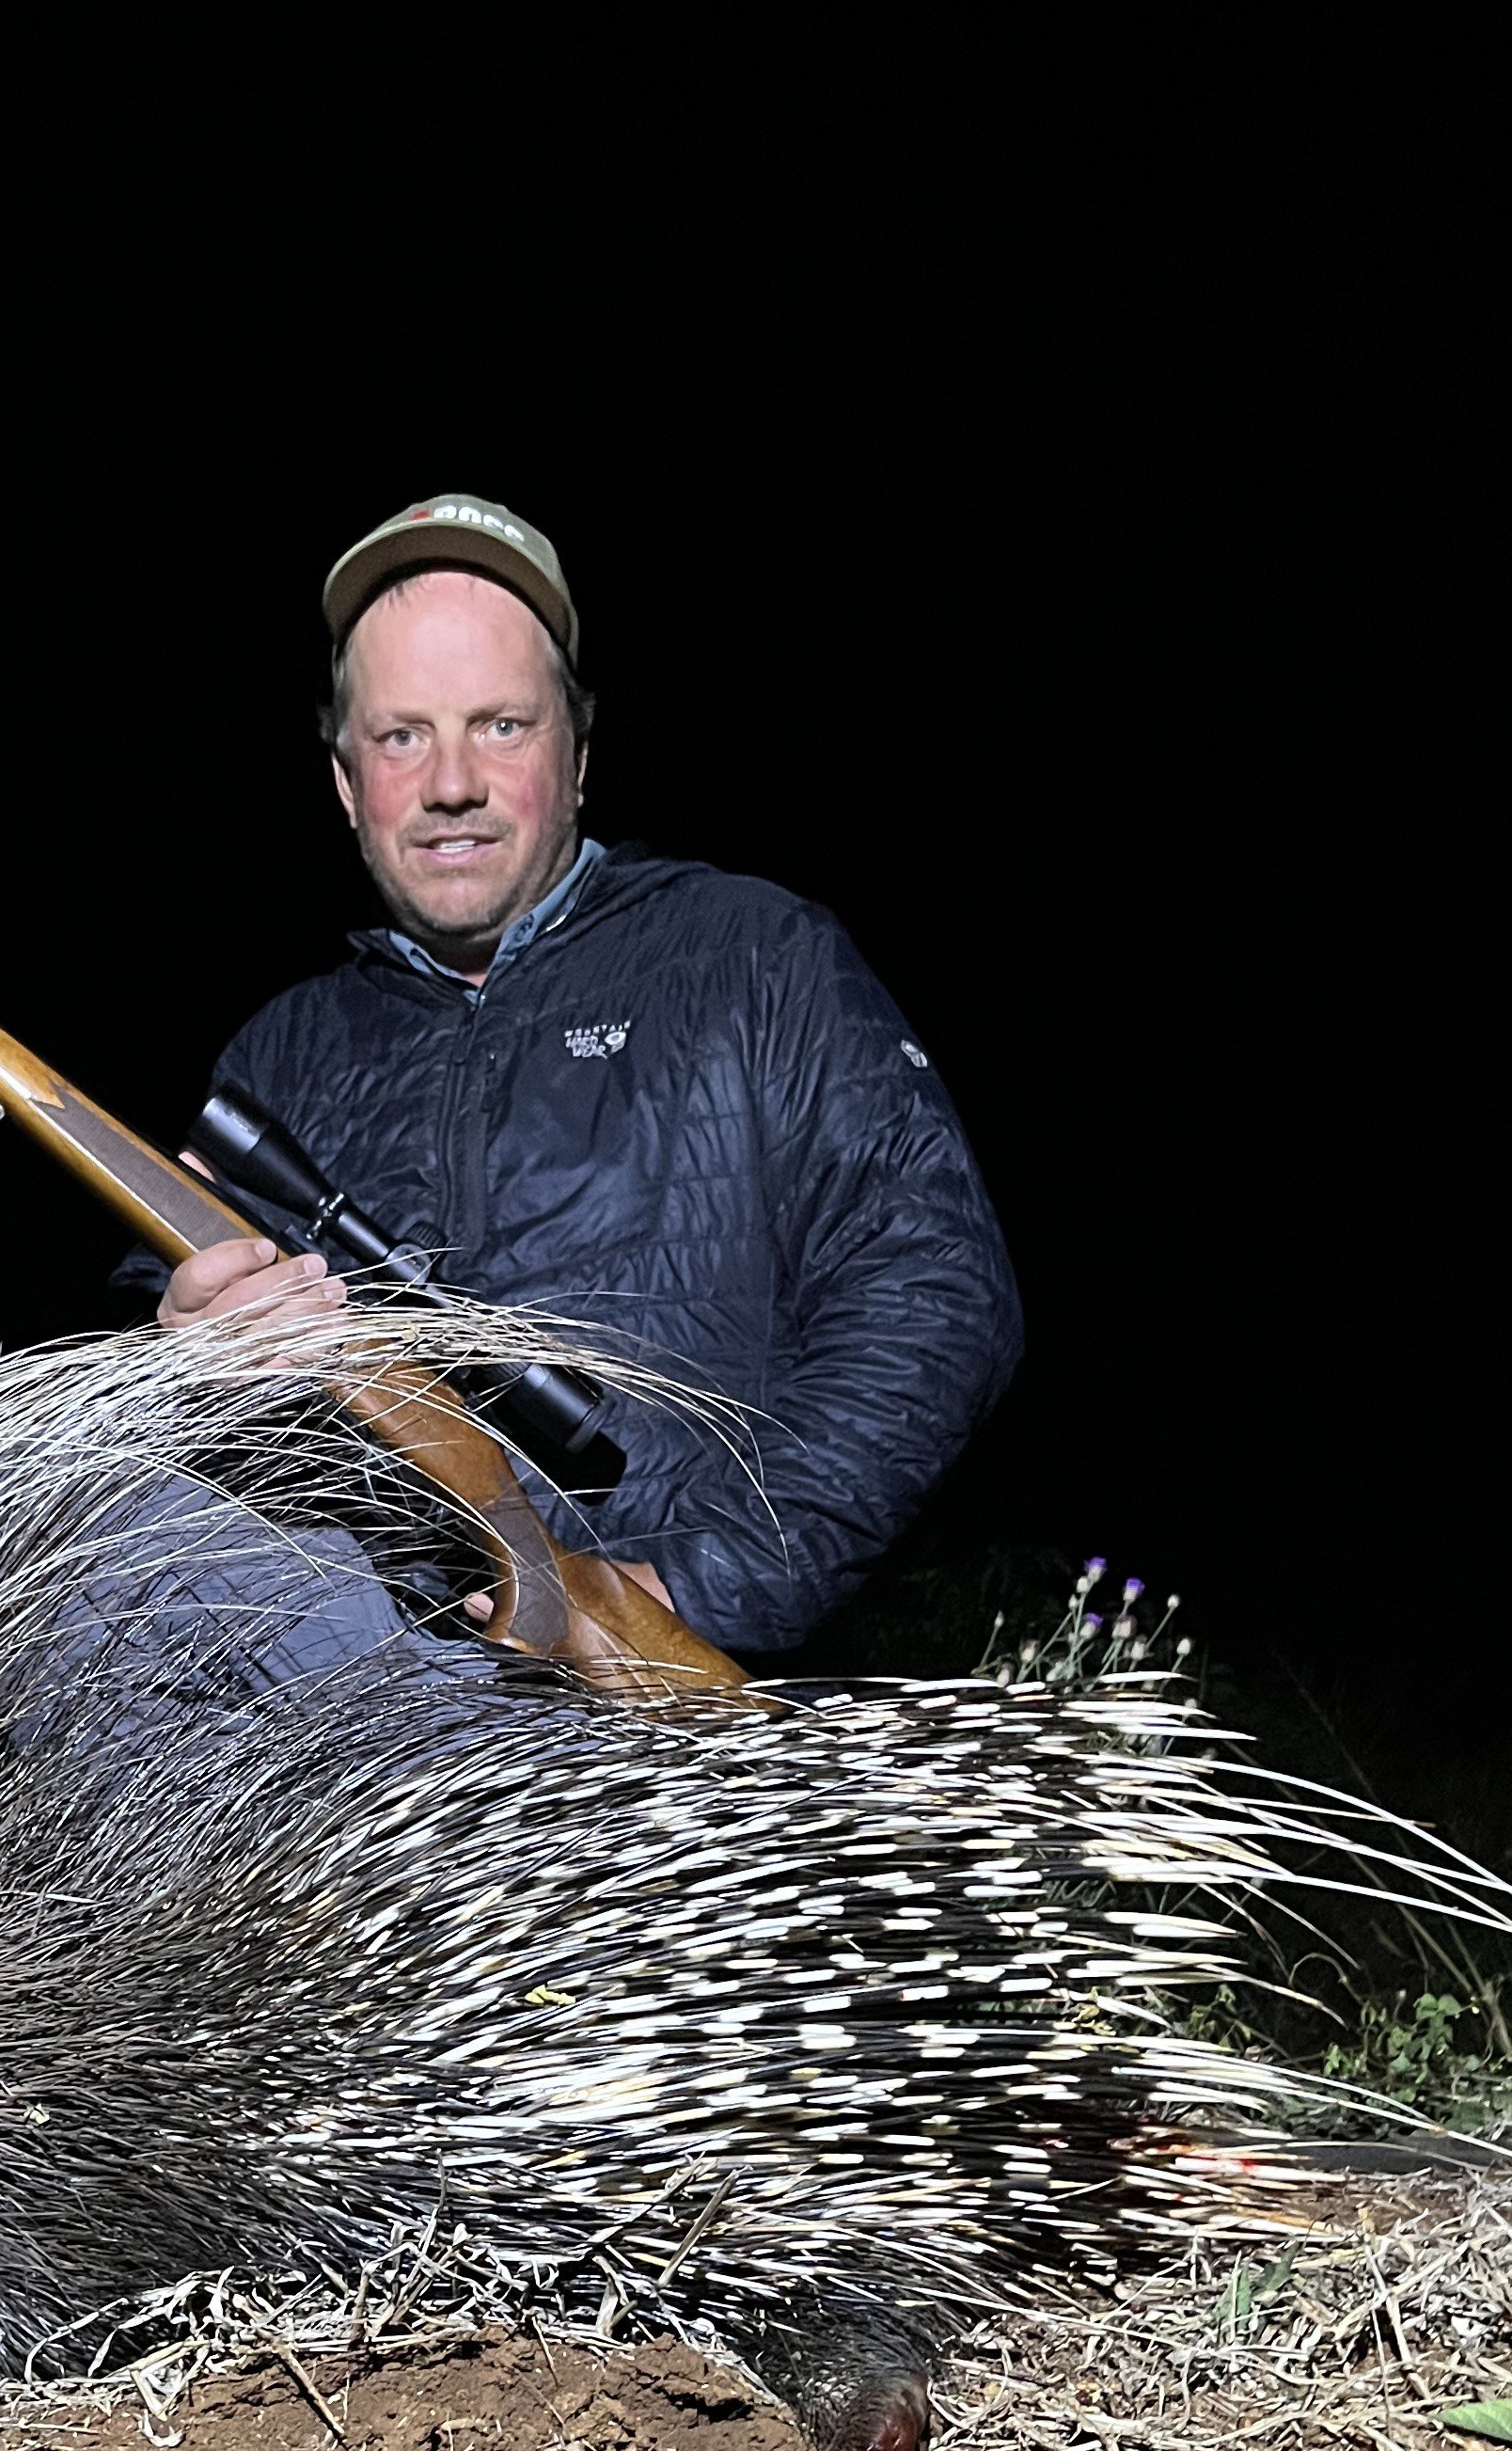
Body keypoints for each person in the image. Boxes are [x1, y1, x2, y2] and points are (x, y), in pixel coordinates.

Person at [160, 495, 1023, 1657]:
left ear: (578, 754)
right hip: (338, 1679)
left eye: (502, 726)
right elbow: (166, 1406)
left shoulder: (755, 956)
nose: (451, 781)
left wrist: (696, 1590)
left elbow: (935, 1287)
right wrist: (179, 1356)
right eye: (402, 735)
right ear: (345, 780)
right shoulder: (278, 1058)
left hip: (654, 1709)